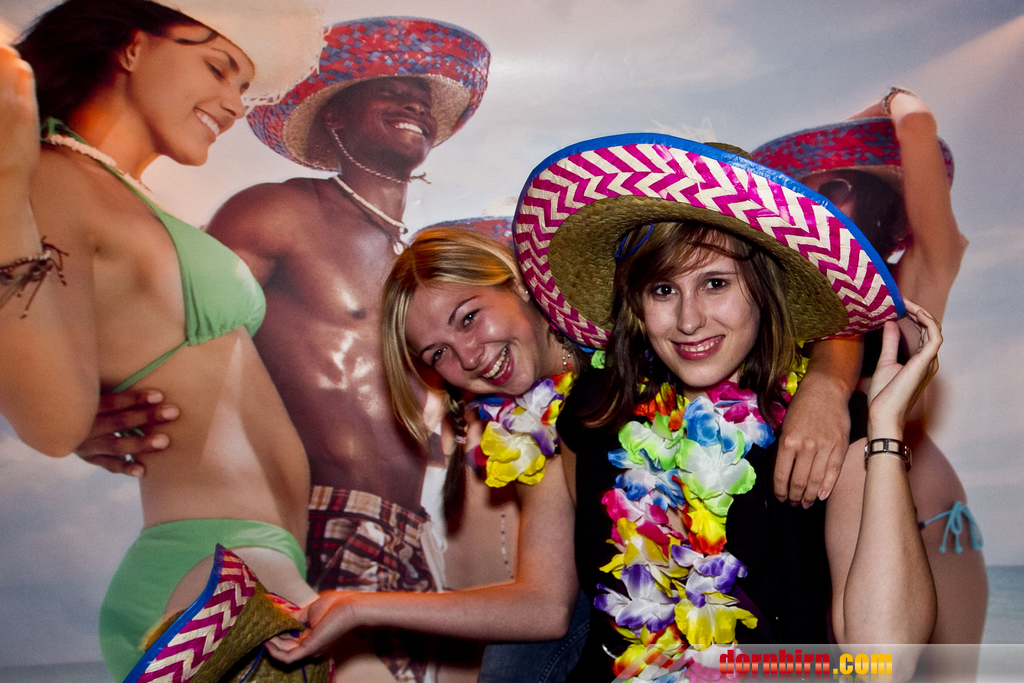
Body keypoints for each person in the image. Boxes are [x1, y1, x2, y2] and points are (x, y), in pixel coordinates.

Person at [267, 135, 937, 681]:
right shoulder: (578, 419)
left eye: (469, 317)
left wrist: (847, 398)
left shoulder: (823, 428)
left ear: (519, 285)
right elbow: (545, 603)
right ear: (635, 304)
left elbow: (883, 660)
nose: (688, 317)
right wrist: (358, 604)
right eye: (437, 354)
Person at [74, 17, 492, 683]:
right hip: (309, 529)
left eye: (422, 95)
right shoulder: (279, 212)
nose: (415, 101)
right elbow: (161, 317)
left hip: (411, 543)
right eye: (390, 89)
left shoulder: (421, 274)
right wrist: (84, 411)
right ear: (334, 117)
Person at [0, 0, 323, 679]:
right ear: (131, 46)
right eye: (218, 68)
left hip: (263, 560)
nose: (234, 104)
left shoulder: (119, 191)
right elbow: (52, 422)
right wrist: (5, 179)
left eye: (244, 86)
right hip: (212, 570)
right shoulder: (53, 175)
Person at [752, 90, 986, 671]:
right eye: (801, 193)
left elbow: (919, 127)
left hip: (924, 516)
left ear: (874, 198)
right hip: (833, 512)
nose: (813, 206)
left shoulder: (912, 281)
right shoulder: (788, 302)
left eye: (832, 188)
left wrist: (891, 101)